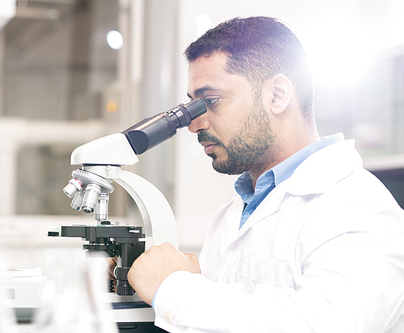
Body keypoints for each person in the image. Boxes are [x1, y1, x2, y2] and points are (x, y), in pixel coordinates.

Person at [127, 16, 404, 332]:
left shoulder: (358, 208)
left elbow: (326, 324)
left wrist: (173, 286)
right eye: (192, 107)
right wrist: (151, 277)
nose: (194, 124)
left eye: (211, 101)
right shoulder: (231, 215)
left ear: (277, 95)